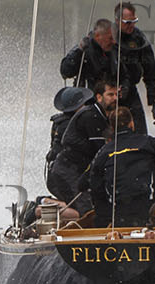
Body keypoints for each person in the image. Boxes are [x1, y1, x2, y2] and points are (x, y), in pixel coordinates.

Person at [87, 108, 155, 228]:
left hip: (119, 215)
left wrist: (106, 216)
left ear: (112, 127)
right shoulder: (151, 143)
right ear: (131, 123)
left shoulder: (104, 152)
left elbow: (94, 185)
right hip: (151, 212)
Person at [46, 81, 119, 215]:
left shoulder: (66, 121)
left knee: (87, 206)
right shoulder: (89, 118)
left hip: (72, 170)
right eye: (110, 94)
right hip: (68, 171)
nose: (115, 98)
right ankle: (41, 205)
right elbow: (100, 151)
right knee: (85, 211)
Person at [114, 1, 155, 130]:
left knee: (140, 131)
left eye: (134, 21)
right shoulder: (107, 36)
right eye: (127, 23)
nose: (131, 26)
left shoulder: (138, 38)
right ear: (117, 20)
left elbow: (150, 72)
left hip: (130, 91)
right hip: (110, 92)